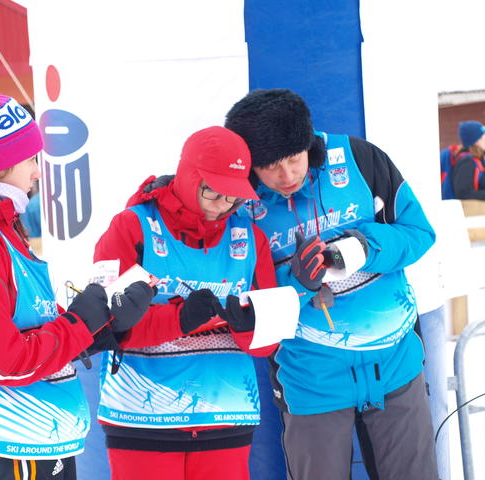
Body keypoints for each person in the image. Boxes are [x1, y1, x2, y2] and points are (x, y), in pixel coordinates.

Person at [0, 84, 154, 480]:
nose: (38, 172)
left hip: (37, 440)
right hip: (14, 445)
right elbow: (6, 362)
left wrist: (99, 328)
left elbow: (31, 323)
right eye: (30, 159)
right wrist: (80, 322)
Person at [225, 89, 439, 479]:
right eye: (270, 167)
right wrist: (297, 284)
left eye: (294, 159)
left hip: (396, 364)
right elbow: (243, 305)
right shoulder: (237, 207)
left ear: (308, 144)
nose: (287, 176)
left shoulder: (360, 159)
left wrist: (365, 246)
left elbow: (419, 233)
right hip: (311, 378)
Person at [93, 126, 280, 480]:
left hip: (226, 415)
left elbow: (269, 342)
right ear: (189, 176)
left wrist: (252, 327)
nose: (222, 207)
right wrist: (181, 318)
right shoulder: (132, 227)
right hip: (142, 420)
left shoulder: (250, 238)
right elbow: (107, 327)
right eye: (213, 193)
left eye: (233, 198)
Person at [451, 120, 485, 200]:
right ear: (476, 141)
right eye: (483, 136)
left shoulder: (478, 159)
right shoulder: (467, 162)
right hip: (474, 207)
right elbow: (463, 192)